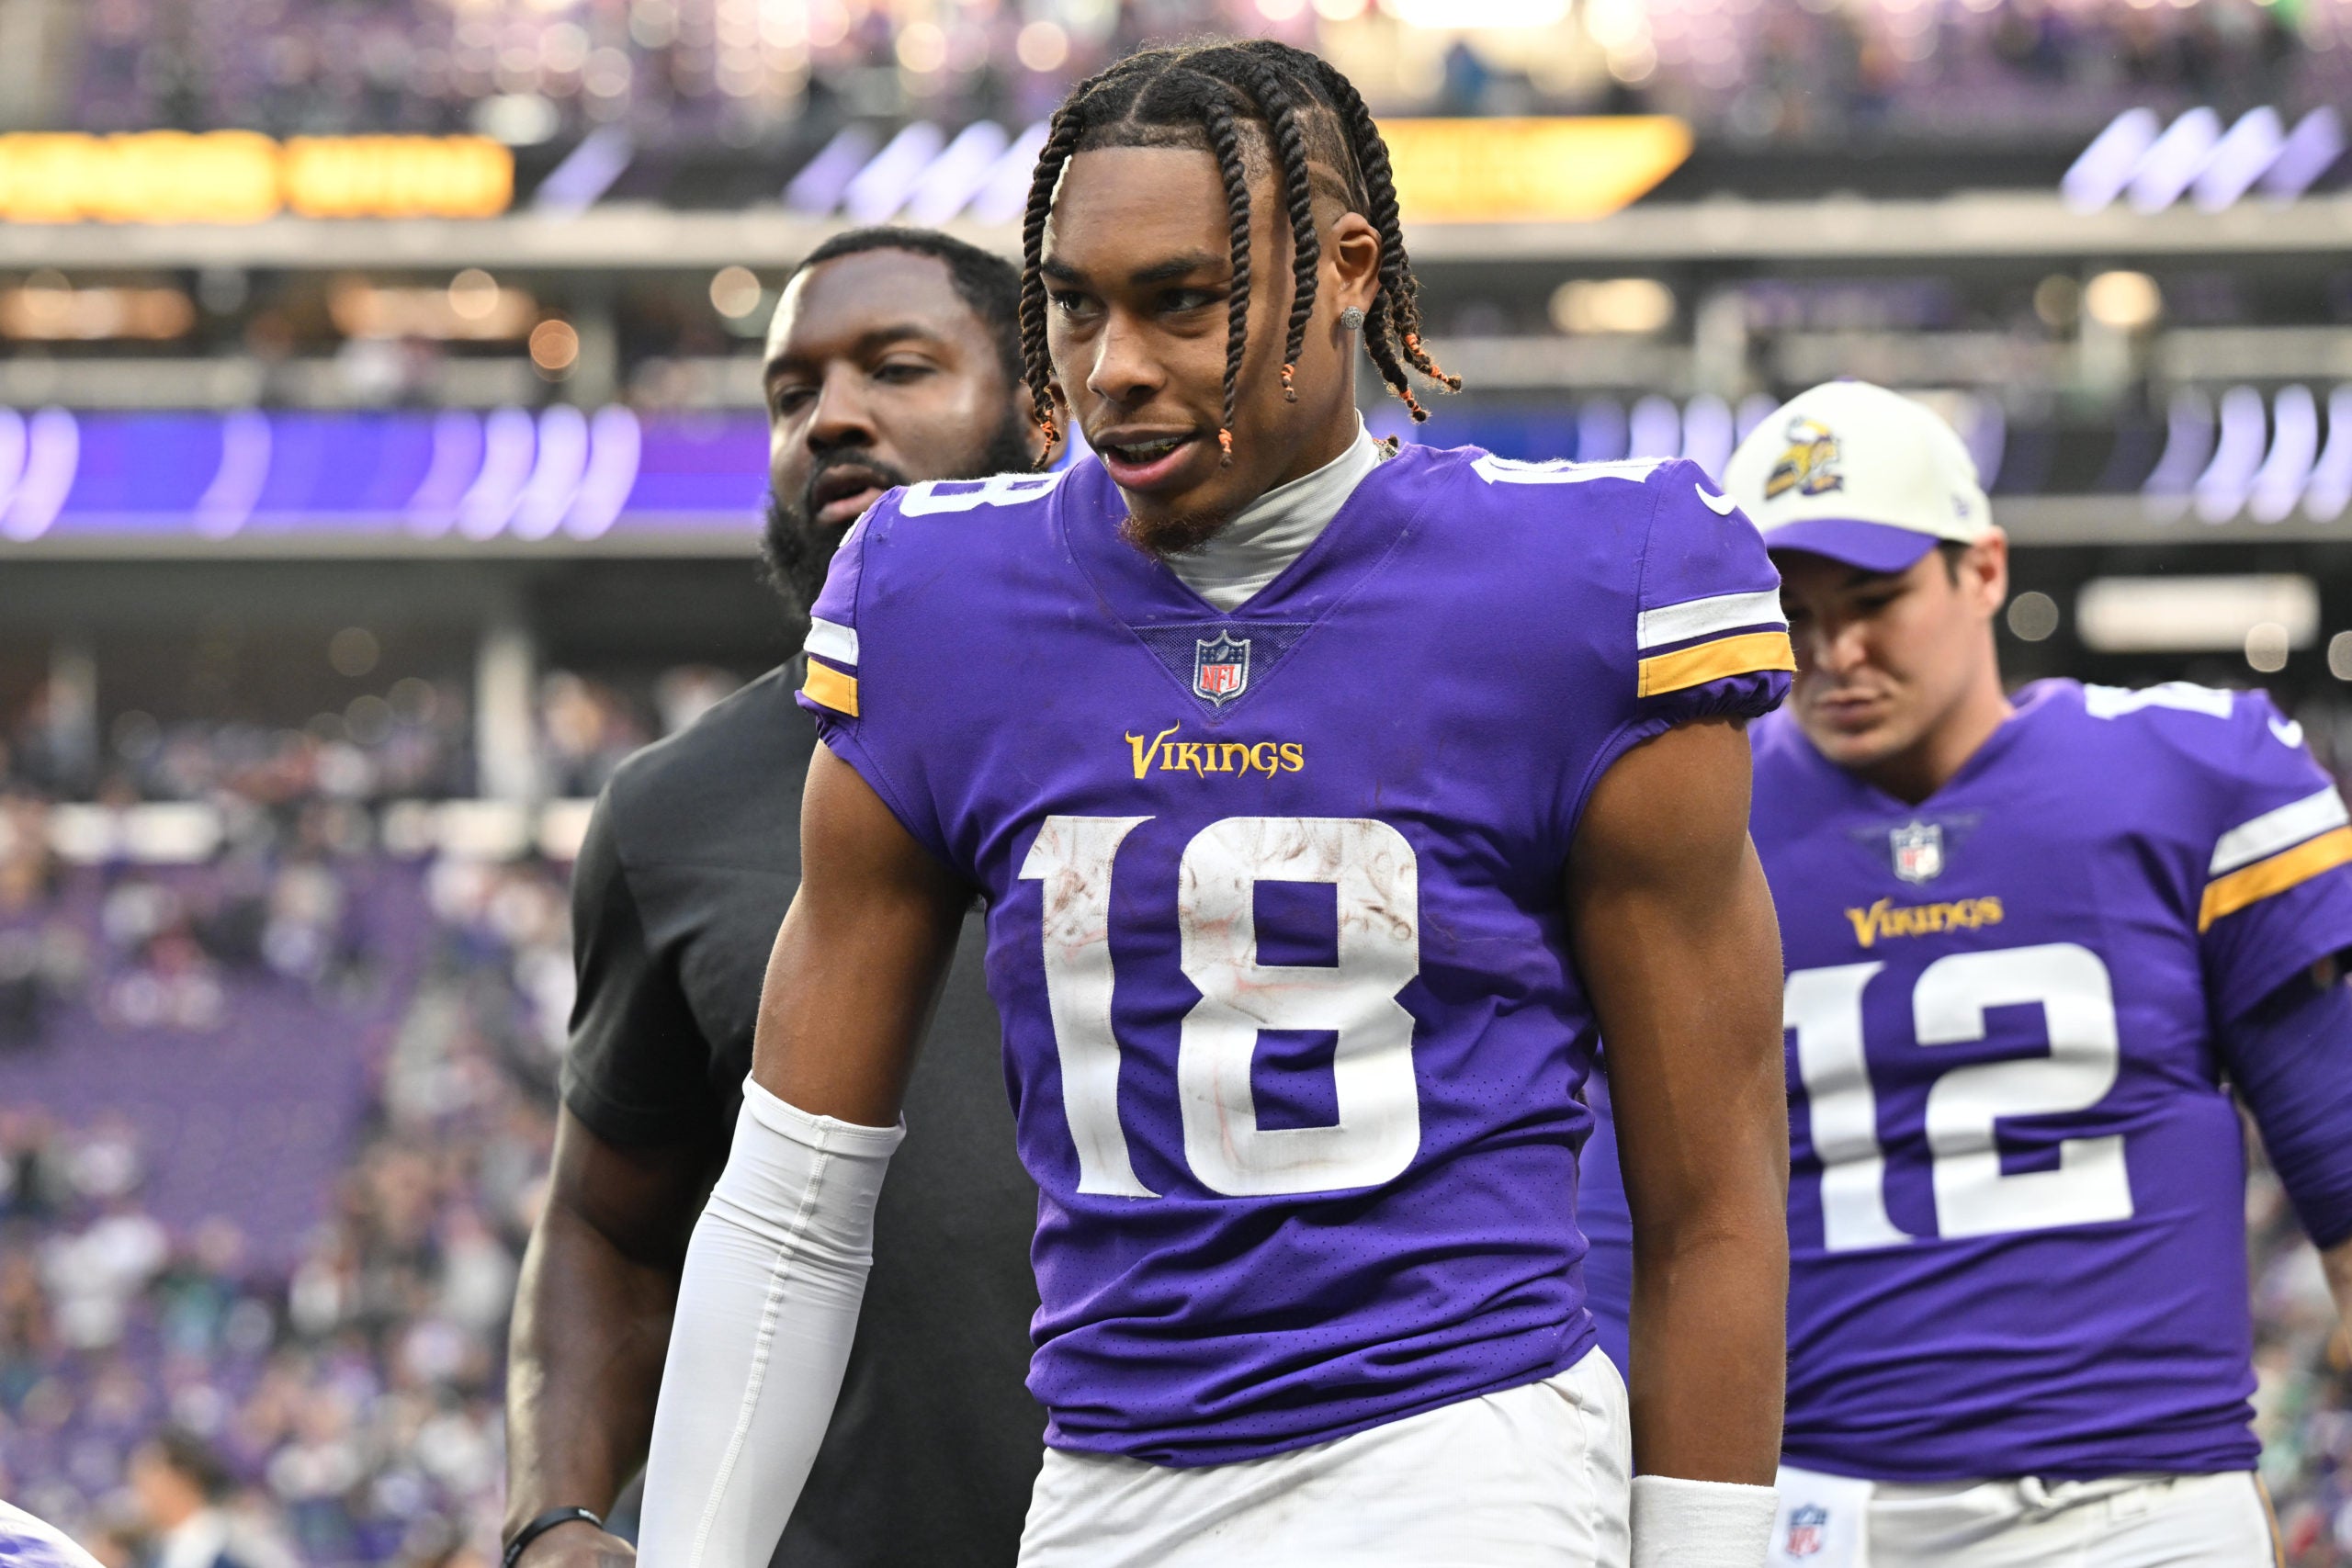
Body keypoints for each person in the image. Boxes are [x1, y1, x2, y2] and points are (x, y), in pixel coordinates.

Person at [636, 39, 1797, 1568]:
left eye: (1183, 298)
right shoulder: (937, 597)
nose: (1113, 367)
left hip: (1460, 1454)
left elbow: (1710, 1197)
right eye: (1072, 303)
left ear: (1347, 273)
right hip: (1110, 1473)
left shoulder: (1582, 586)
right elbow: (792, 1195)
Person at [1584, 378, 2352, 1565]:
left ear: (1983, 568)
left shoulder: (2196, 776)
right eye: (1795, 607)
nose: (1835, 648)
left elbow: (2342, 1156)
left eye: (1877, 597)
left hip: (2135, 1507)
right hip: (1812, 1508)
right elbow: (1617, 1217)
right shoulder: (1686, 816)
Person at [501, 227, 1047, 1568]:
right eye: (791, 393)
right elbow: (602, 1221)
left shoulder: (1219, 731)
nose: (833, 418)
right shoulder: (675, 810)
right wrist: (555, 1512)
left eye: (898, 367)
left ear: (1049, 411)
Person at [128, 1428, 249, 1568]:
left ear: (181, 1480)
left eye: (150, 1472)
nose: (140, 1486)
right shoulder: (159, 1550)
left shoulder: (228, 1549)